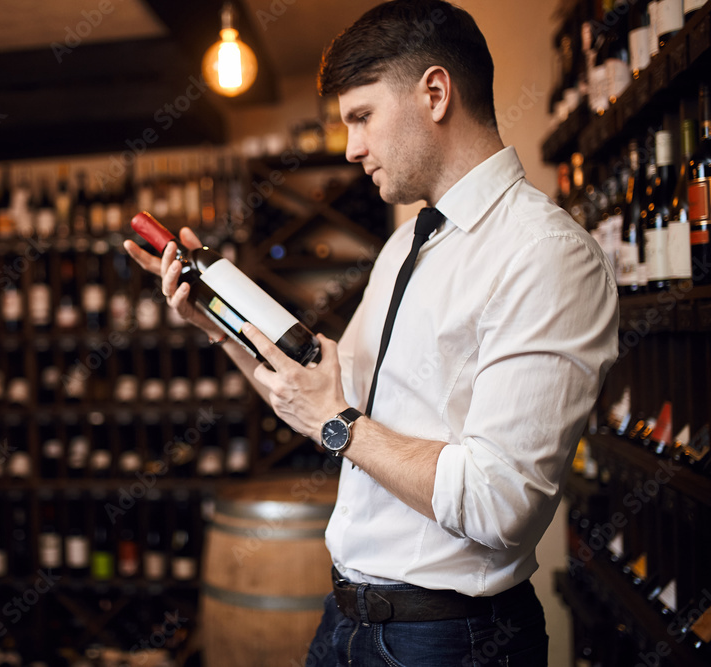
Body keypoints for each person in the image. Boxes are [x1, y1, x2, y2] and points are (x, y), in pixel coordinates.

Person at [125, 0, 619, 664]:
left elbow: (502, 503)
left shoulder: (545, 254)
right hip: (345, 619)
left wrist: (338, 420)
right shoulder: (408, 244)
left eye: (362, 116)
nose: (352, 146)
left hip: (452, 639)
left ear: (435, 93)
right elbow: (324, 392)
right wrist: (217, 318)